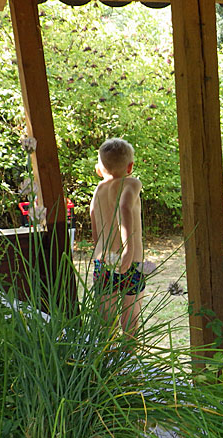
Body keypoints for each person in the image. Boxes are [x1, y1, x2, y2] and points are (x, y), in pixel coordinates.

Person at [90, 138, 145, 335]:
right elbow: (124, 206)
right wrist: (128, 249)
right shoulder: (132, 182)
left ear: (99, 170)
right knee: (131, 319)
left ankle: (107, 352)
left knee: (106, 320)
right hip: (130, 262)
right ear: (130, 167)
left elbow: (93, 218)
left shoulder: (98, 190)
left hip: (104, 260)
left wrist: (98, 247)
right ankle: (129, 353)